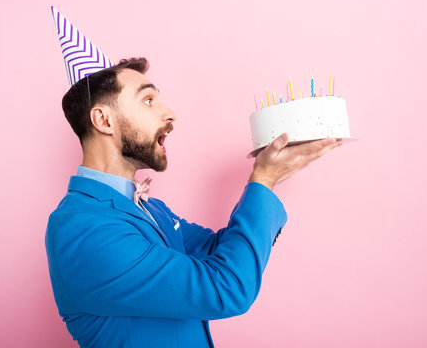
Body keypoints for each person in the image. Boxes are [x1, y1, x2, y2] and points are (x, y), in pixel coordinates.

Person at [45, 56, 342, 347]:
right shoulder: (83, 229)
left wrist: (270, 179)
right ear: (104, 120)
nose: (170, 114)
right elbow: (225, 287)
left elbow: (220, 252)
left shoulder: (149, 208)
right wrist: (262, 180)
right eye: (148, 101)